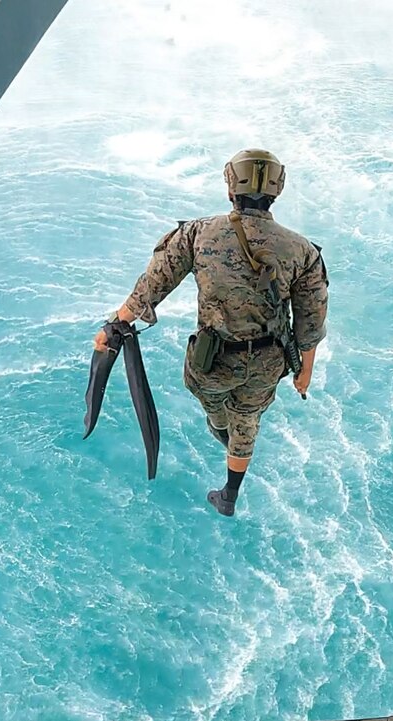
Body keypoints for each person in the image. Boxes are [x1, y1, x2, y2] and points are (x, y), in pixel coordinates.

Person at [93, 148, 329, 516]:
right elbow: (309, 322)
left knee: (215, 409)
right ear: (277, 190)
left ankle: (221, 427)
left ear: (231, 186)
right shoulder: (302, 252)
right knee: (248, 422)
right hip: (266, 364)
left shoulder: (198, 234)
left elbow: (153, 285)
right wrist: (305, 372)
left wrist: (117, 323)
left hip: (210, 361)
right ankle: (229, 494)